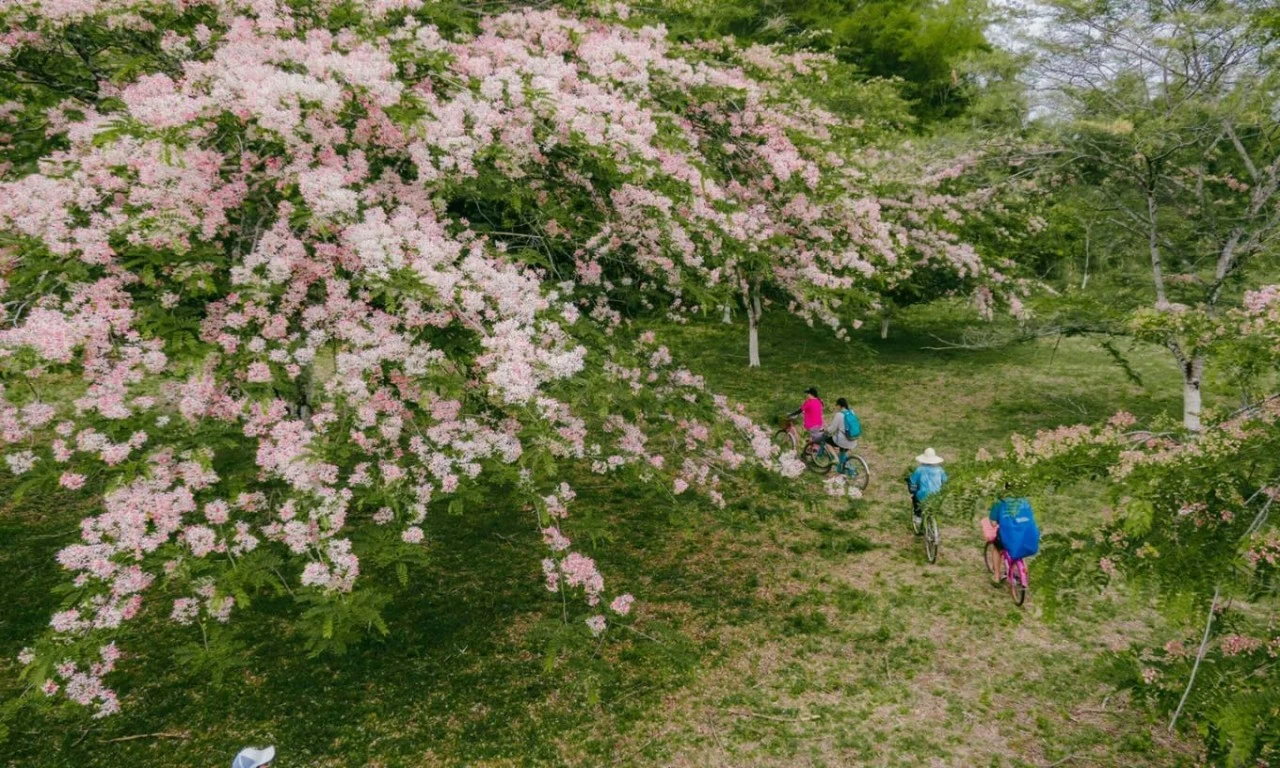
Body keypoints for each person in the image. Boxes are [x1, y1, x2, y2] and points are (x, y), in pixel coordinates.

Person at [907, 448, 947, 528]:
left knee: (915, 498)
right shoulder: (940, 470)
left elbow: (913, 480)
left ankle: (918, 516)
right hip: (936, 496)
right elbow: (945, 480)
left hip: (923, 495)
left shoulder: (920, 470)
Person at [828, 397, 863, 476]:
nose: (836, 407)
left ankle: (835, 459)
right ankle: (843, 467)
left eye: (836, 405)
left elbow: (832, 429)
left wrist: (825, 430)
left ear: (840, 406)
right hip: (853, 439)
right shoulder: (852, 412)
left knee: (827, 442)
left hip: (843, 440)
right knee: (843, 453)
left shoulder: (839, 415)